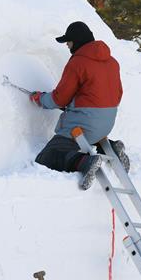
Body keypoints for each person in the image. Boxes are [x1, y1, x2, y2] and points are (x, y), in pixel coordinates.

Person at [31, 21, 130, 189]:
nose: (68, 46)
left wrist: (40, 99)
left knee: (47, 156)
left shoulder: (77, 62)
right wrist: (77, 103)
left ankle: (84, 162)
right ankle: (111, 147)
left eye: (68, 42)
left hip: (84, 125)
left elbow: (59, 99)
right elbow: (116, 94)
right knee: (89, 134)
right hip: (106, 124)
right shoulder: (113, 62)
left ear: (76, 41)